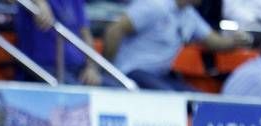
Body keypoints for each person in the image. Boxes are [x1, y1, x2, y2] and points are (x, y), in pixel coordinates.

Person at [103, 0, 251, 90]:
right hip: (132, 71)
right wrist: (109, 71)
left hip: (160, 75)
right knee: (171, 98)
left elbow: (214, 41)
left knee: (195, 99)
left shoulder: (189, 15)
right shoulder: (155, 5)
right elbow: (114, 31)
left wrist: (235, 41)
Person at [15, 0, 101, 85]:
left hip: (78, 68)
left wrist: (91, 67)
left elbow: (85, 33)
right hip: (43, 69)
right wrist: (39, 2)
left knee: (111, 86)